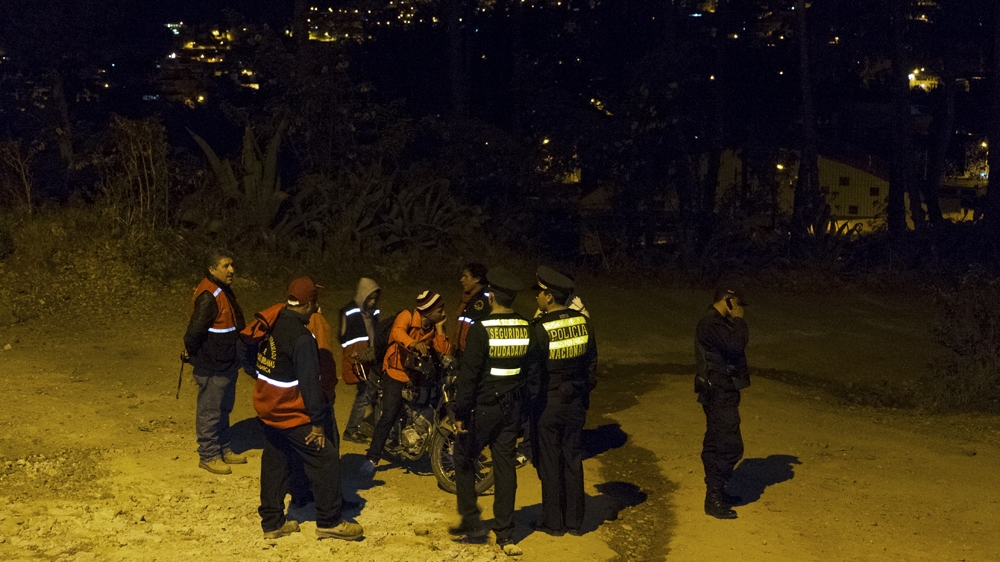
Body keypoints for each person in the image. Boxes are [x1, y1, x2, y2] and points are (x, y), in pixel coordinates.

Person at [253, 277, 363, 541]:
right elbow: (310, 384)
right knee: (325, 458)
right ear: (311, 303)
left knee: (275, 463)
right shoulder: (302, 338)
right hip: (290, 413)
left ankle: (272, 523)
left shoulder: (274, 321)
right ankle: (330, 522)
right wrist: (317, 423)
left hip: (268, 409)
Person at [449, 267, 538, 557]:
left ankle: (470, 520)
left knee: (463, 456)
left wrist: (461, 413)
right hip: (513, 408)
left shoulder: (481, 328)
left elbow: (469, 375)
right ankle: (506, 534)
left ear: (491, 296)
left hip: (484, 408)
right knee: (505, 468)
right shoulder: (526, 326)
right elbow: (532, 372)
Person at [530, 266, 597, 537]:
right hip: (576, 400)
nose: (536, 297)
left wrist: (532, 405)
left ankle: (553, 522)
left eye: (539, 293)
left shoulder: (540, 328)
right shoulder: (584, 322)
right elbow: (591, 364)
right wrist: (582, 392)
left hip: (549, 402)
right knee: (572, 459)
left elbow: (534, 372)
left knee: (550, 462)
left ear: (549, 297)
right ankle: (575, 522)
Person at [360, 290, 451, 475]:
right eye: (439, 310)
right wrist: (413, 343)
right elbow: (397, 333)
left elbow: (443, 352)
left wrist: (441, 328)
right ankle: (372, 458)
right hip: (395, 372)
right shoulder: (407, 316)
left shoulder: (432, 328)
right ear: (428, 311)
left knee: (430, 403)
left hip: (416, 373)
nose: (443, 313)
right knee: (389, 414)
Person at [183, 249, 247, 475]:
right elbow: (193, 333)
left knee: (223, 408)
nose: (231, 270)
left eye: (232, 265)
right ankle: (209, 455)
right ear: (212, 269)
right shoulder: (208, 296)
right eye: (225, 266)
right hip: (213, 365)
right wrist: (199, 356)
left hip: (226, 362)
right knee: (210, 411)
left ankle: (223, 448)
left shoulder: (222, 290)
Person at [694, 284, 751, 520]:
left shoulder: (718, 323)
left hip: (722, 391)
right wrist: (738, 320)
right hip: (718, 392)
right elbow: (735, 346)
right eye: (737, 303)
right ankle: (714, 497)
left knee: (715, 443)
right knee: (729, 446)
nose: (740, 308)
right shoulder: (711, 323)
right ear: (728, 300)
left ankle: (717, 492)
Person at [339, 278, 382, 444]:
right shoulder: (350, 311)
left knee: (373, 393)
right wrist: (355, 353)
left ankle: (376, 425)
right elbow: (343, 336)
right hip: (358, 359)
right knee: (364, 394)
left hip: (370, 357)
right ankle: (351, 429)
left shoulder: (373, 313)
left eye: (374, 298)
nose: (372, 302)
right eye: (370, 298)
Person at [453, 263, 491, 360]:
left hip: (473, 356)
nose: (462, 279)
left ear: (476, 279)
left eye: (466, 276)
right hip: (460, 353)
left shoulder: (486, 300)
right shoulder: (467, 298)